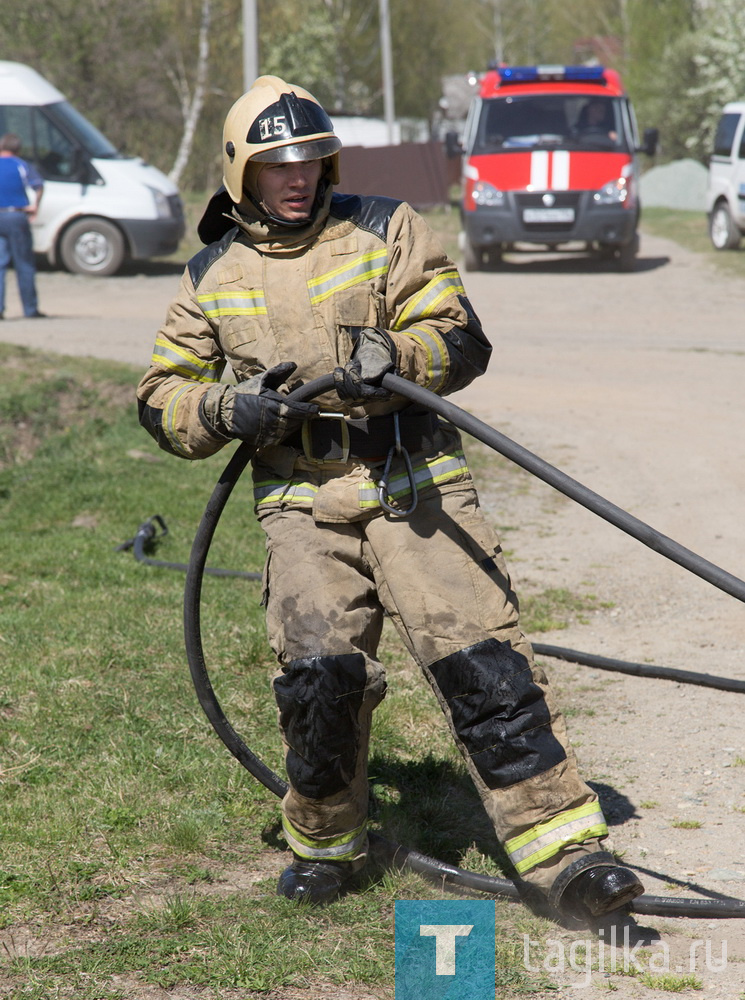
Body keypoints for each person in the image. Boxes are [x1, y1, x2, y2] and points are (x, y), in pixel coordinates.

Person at [136, 76, 644, 920]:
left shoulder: (384, 229)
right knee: (318, 682)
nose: (298, 176)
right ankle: (328, 847)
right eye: (276, 163)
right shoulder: (212, 273)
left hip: (413, 486)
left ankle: (567, 857)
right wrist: (228, 407)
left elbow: (458, 335)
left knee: (483, 669)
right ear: (241, 175)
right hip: (301, 502)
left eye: (310, 158)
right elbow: (161, 394)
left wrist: (397, 356)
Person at [0, 133, 44, 320]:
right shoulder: (21, 165)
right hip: (17, 215)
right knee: (24, 263)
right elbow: (39, 185)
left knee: (0, 264)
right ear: (17, 149)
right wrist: (35, 207)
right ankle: (30, 308)